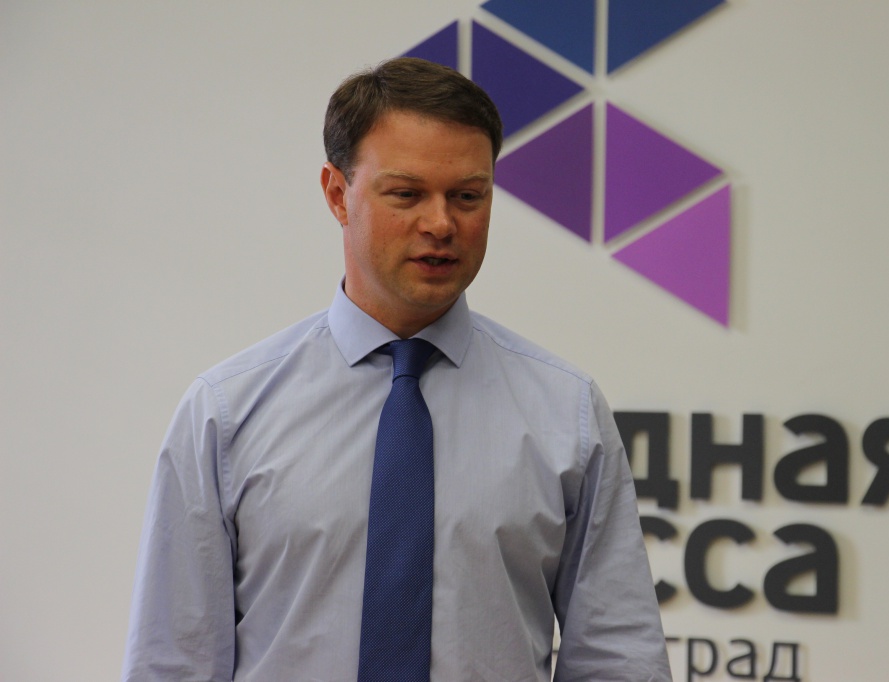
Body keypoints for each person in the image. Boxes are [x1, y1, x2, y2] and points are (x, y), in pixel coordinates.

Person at [122, 57, 671, 681]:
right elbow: (174, 663)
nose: (441, 224)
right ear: (338, 194)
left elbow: (617, 660)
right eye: (407, 194)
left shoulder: (567, 412)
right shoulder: (225, 413)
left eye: (467, 196)